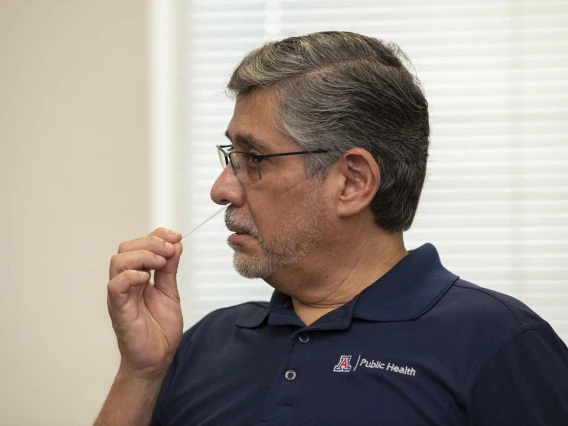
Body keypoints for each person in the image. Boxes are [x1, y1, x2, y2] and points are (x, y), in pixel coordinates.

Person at [94, 31, 568, 425]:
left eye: (253, 158)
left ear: (352, 182)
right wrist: (141, 374)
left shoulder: (501, 343)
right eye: (229, 156)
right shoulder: (207, 341)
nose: (221, 190)